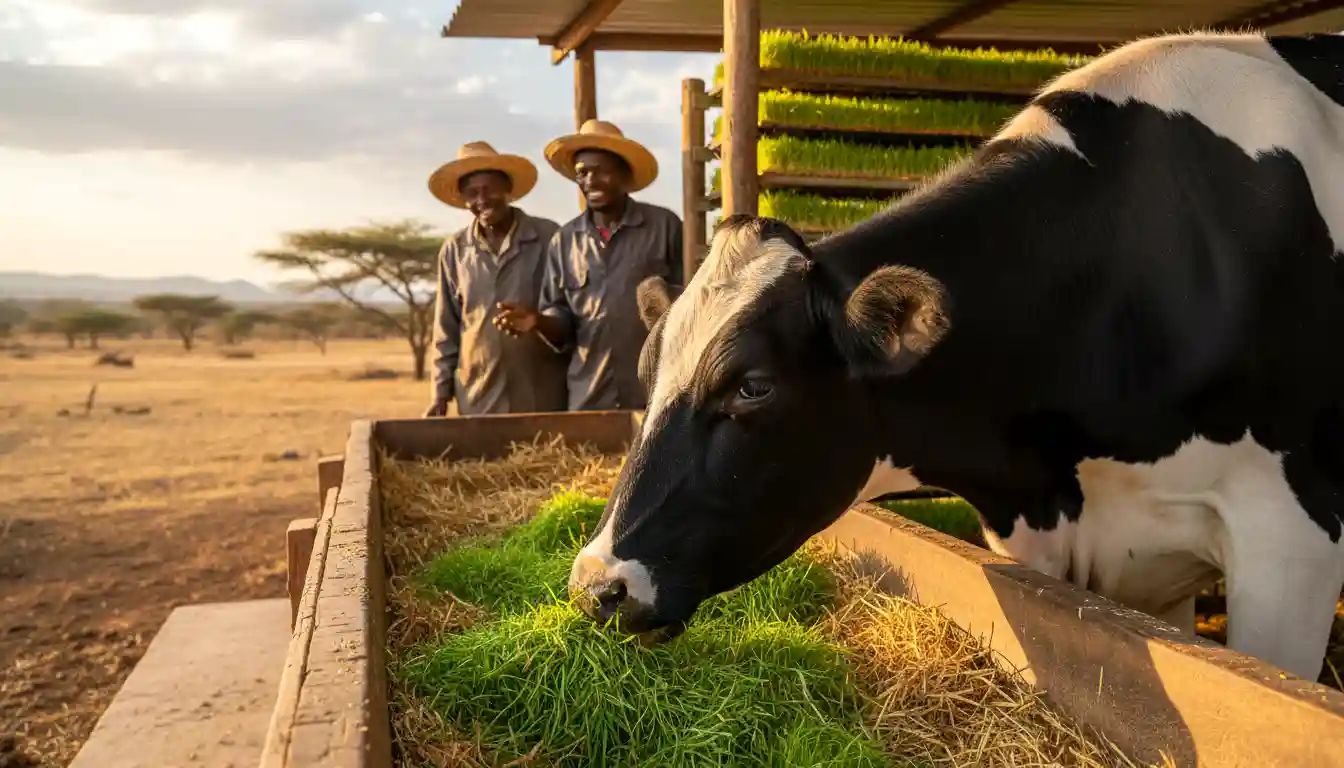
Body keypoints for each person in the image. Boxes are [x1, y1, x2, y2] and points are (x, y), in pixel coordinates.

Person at [494, 120, 683, 411]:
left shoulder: (664, 226)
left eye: (602, 171)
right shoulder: (565, 241)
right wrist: (538, 321)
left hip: (657, 391)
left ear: (624, 174)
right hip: (590, 394)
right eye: (583, 173)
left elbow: (692, 302)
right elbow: (561, 319)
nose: (591, 181)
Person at [423, 141, 567, 417]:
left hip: (542, 393)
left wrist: (537, 320)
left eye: (490, 189)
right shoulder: (455, 251)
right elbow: (446, 329)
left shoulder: (550, 237)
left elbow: (570, 313)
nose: (482, 200)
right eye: (472, 193)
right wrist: (440, 394)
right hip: (478, 395)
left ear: (508, 190)